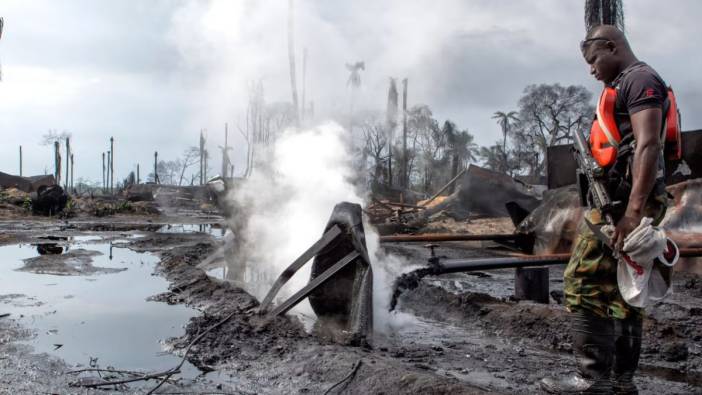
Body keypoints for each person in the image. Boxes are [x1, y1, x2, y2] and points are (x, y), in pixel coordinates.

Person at [541, 25, 670, 394]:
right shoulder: (626, 84)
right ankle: (619, 382)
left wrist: (631, 213)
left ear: (612, 47)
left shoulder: (640, 79)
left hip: (625, 205)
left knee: (581, 281)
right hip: (622, 201)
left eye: (594, 59)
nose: (591, 69)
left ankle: (590, 380)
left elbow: (647, 147)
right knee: (623, 289)